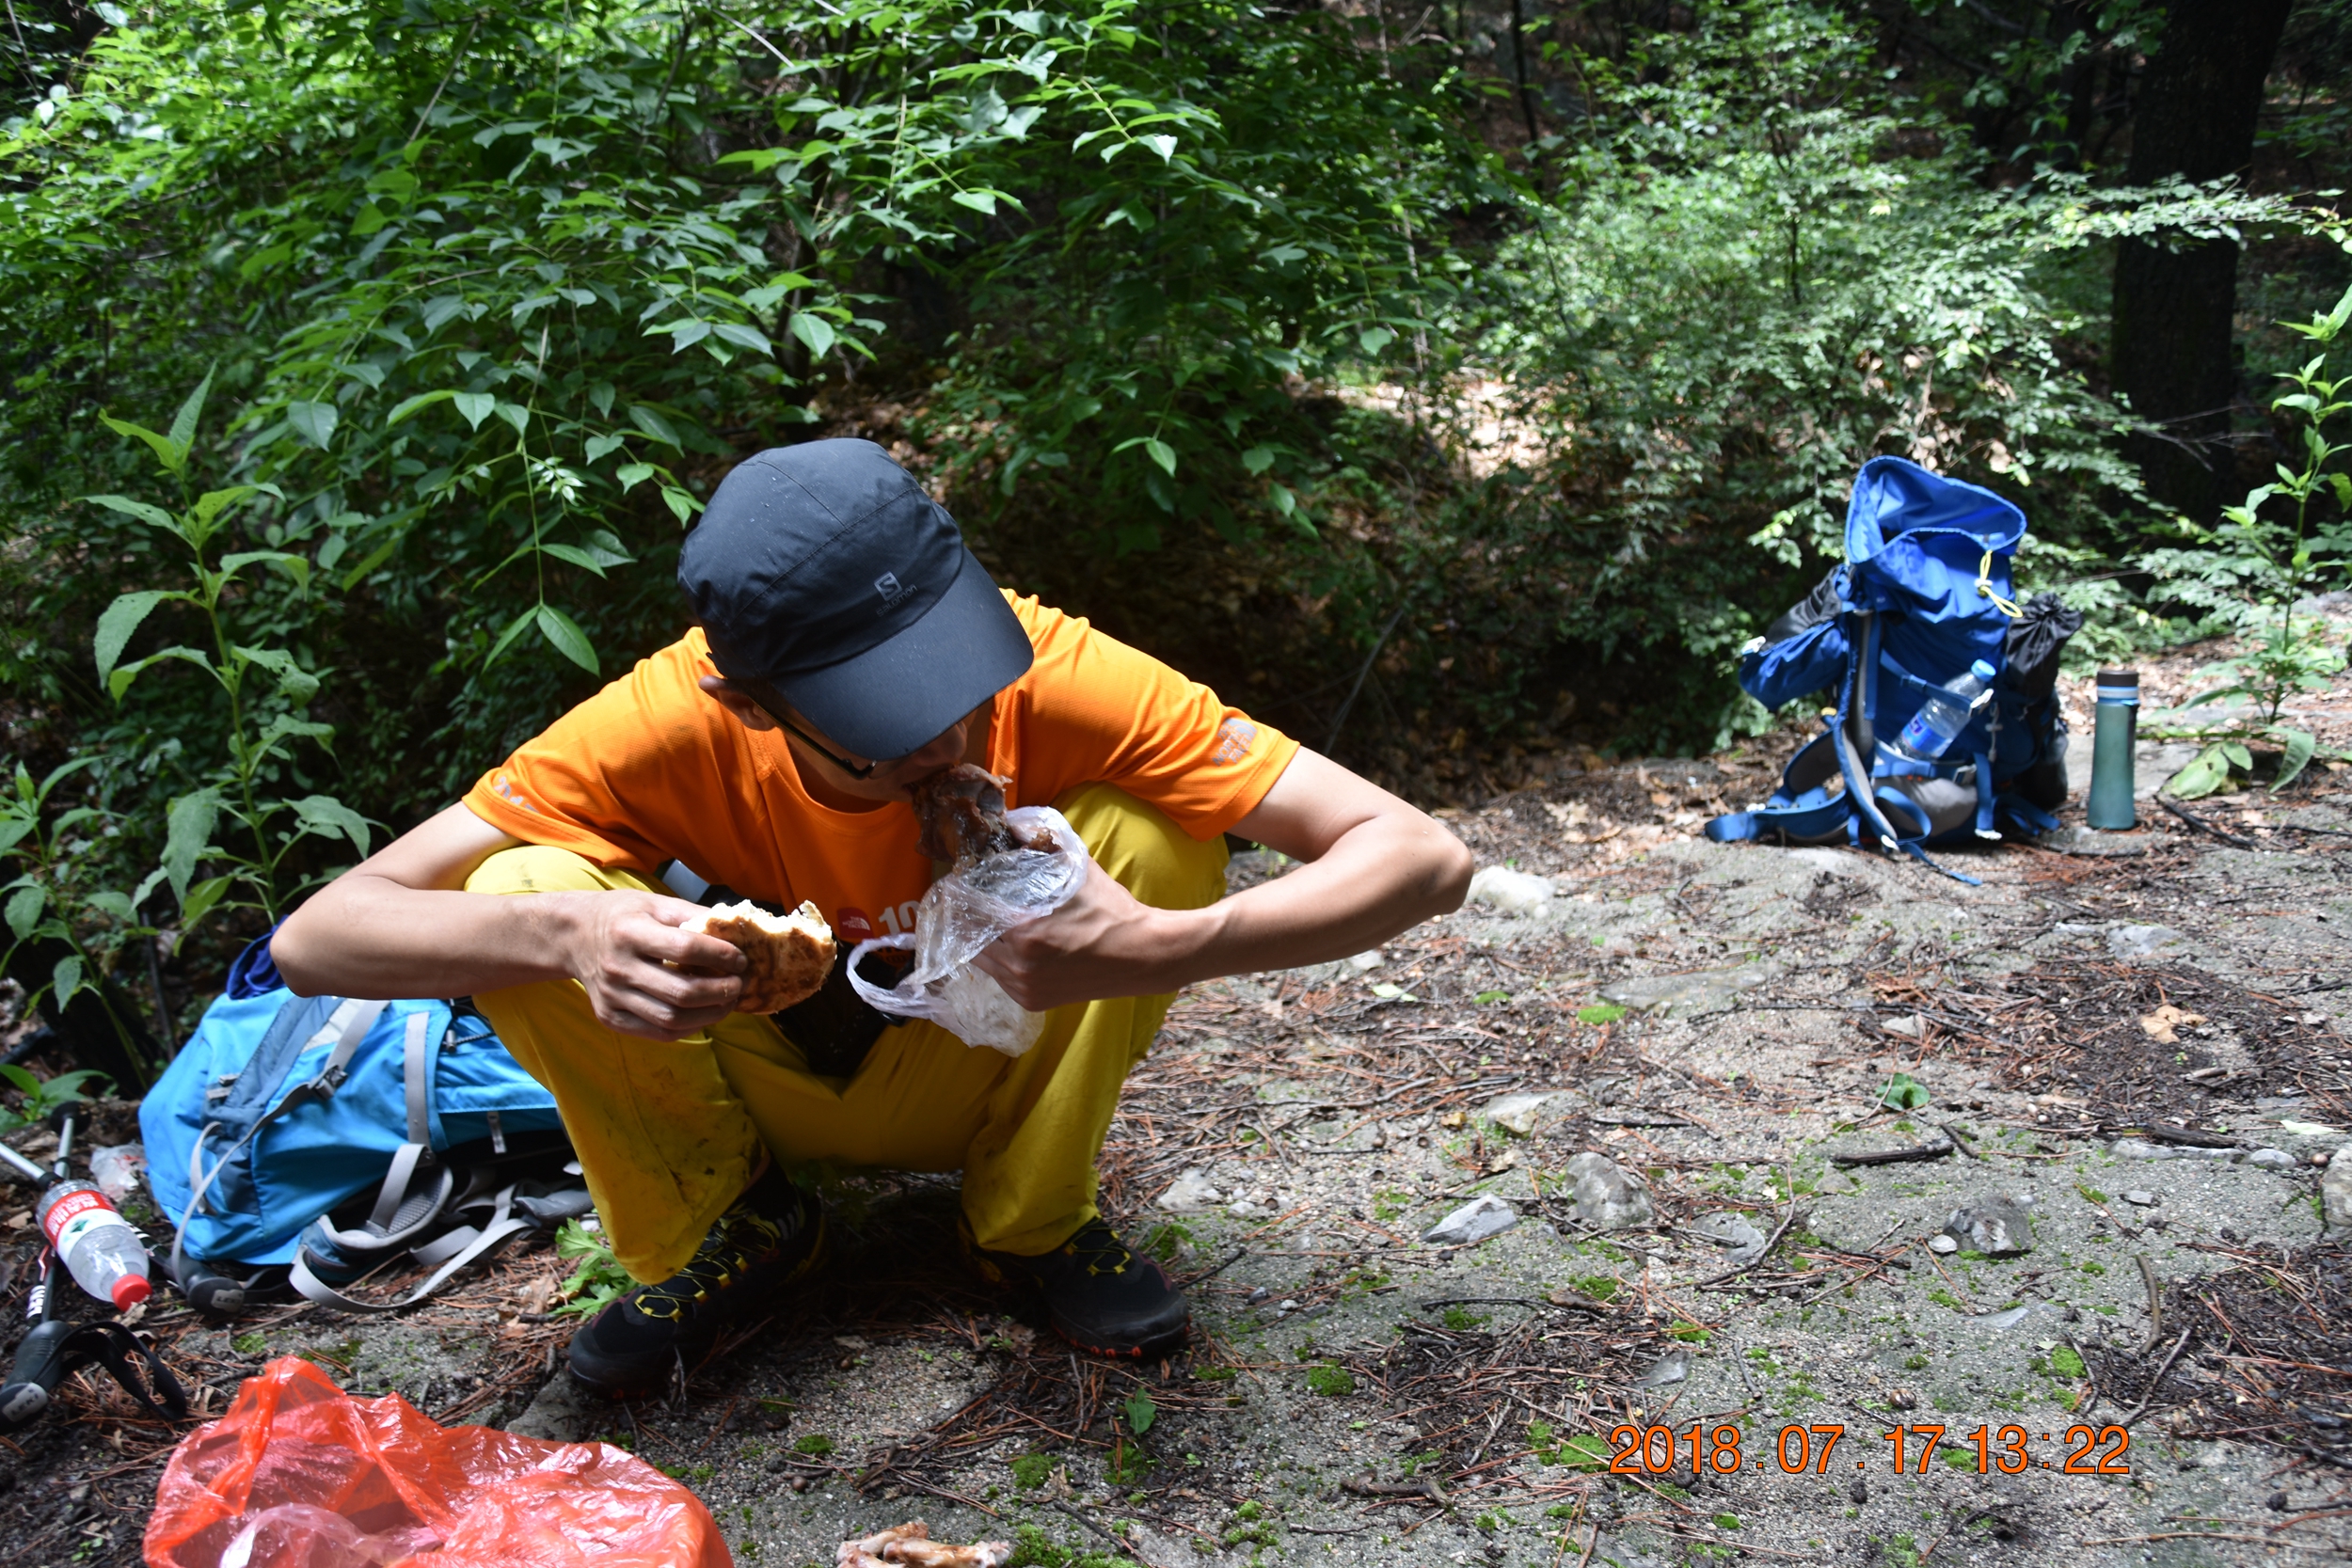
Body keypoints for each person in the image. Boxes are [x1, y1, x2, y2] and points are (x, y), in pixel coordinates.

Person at [274, 439, 1470, 1397]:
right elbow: (318, 935)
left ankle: (1029, 1219)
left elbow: (1422, 854)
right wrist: (569, 937)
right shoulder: (657, 726)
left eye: (961, 680)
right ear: (748, 701)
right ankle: (732, 1222)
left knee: (1157, 831)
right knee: (516, 890)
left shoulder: (1058, 666)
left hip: (983, 1060)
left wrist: (1158, 943)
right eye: (883, 723)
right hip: (755, 1085)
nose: (949, 737)